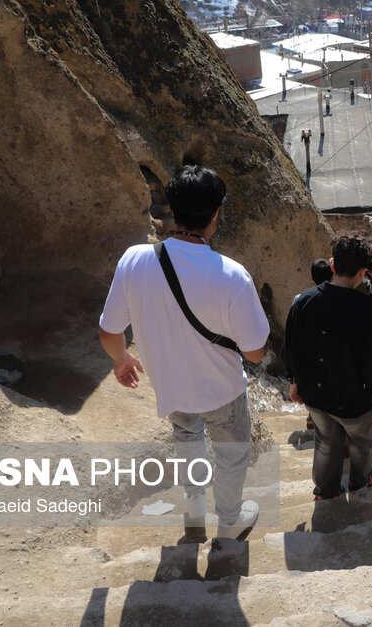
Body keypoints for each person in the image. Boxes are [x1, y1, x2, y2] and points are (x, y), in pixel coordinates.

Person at [99, 164, 270, 543]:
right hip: (222, 390)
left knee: (187, 437)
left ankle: (194, 512)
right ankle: (229, 521)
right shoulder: (232, 275)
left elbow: (110, 332)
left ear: (173, 210)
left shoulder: (133, 260)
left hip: (171, 385)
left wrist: (121, 360)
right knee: (230, 454)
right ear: (216, 213)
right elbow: (255, 353)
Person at [282, 233, 372, 500]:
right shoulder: (364, 309)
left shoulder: (303, 301)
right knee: (362, 443)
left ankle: (325, 491)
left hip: (315, 395)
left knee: (326, 443)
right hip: (354, 399)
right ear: (362, 272)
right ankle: (360, 483)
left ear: (332, 264)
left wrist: (294, 381)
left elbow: (291, 345)